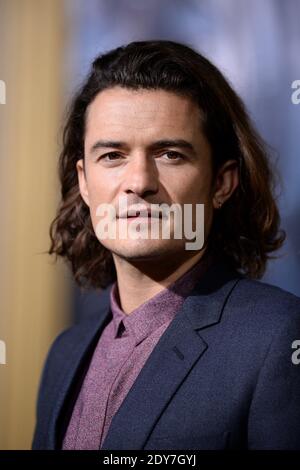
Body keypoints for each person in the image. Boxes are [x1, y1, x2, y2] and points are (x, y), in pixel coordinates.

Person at [32, 40, 300, 450]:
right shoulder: (64, 354)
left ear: (222, 183)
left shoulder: (278, 336)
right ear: (84, 182)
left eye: (170, 153)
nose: (139, 182)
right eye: (113, 156)